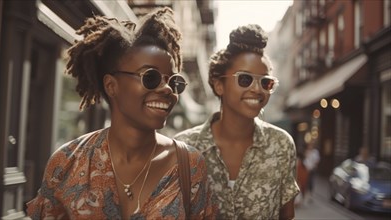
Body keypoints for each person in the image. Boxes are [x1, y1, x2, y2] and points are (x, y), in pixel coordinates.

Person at [27, 8, 215, 219]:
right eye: (151, 77)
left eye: (174, 81)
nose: (168, 89)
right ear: (111, 86)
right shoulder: (66, 162)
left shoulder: (188, 165)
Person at [175, 24, 299, 219]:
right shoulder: (184, 148)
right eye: (245, 79)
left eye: (266, 82)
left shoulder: (282, 145)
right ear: (219, 85)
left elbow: (287, 215)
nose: (258, 90)